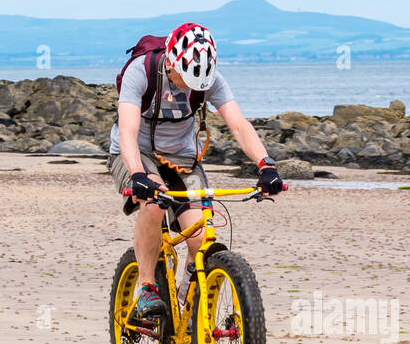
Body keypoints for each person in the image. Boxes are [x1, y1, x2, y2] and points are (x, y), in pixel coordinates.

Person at [107, 22, 285, 317]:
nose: (191, 88)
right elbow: (127, 130)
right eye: (185, 79)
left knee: (202, 236)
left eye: (198, 84)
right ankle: (148, 288)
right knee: (153, 206)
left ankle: (187, 299)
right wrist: (138, 174)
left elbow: (239, 125)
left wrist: (266, 164)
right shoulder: (141, 71)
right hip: (136, 155)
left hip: (182, 159)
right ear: (172, 61)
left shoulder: (211, 78)